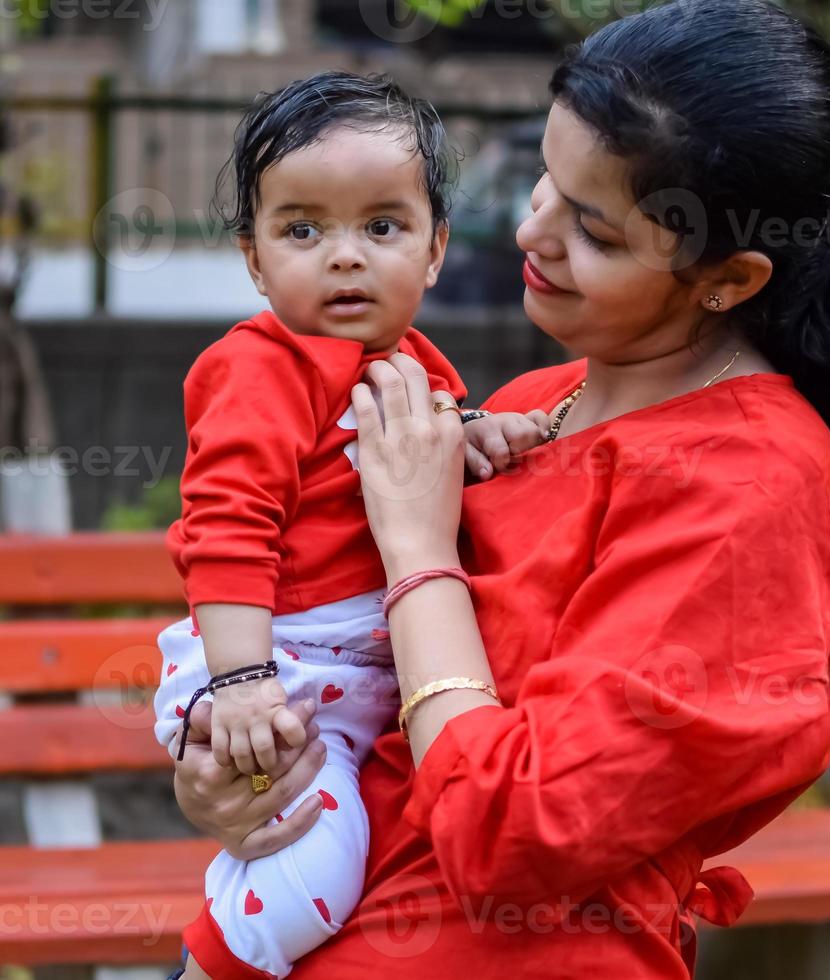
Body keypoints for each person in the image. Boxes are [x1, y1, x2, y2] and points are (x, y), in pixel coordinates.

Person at [167, 1, 830, 977]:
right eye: (548, 180)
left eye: (592, 229)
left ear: (728, 276)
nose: (530, 229)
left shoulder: (752, 496)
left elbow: (510, 835)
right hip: (317, 907)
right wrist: (234, 776)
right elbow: (365, 693)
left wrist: (419, 551)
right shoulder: (533, 402)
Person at [153, 70, 550, 979]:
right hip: (277, 665)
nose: (345, 256)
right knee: (317, 876)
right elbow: (226, 525)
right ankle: (207, 968)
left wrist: (482, 432)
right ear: (253, 258)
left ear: (435, 248)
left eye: (382, 227)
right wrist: (244, 678)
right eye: (302, 229)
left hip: (361, 676)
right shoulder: (261, 367)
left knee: (340, 855)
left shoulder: (415, 362)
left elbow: (423, 456)